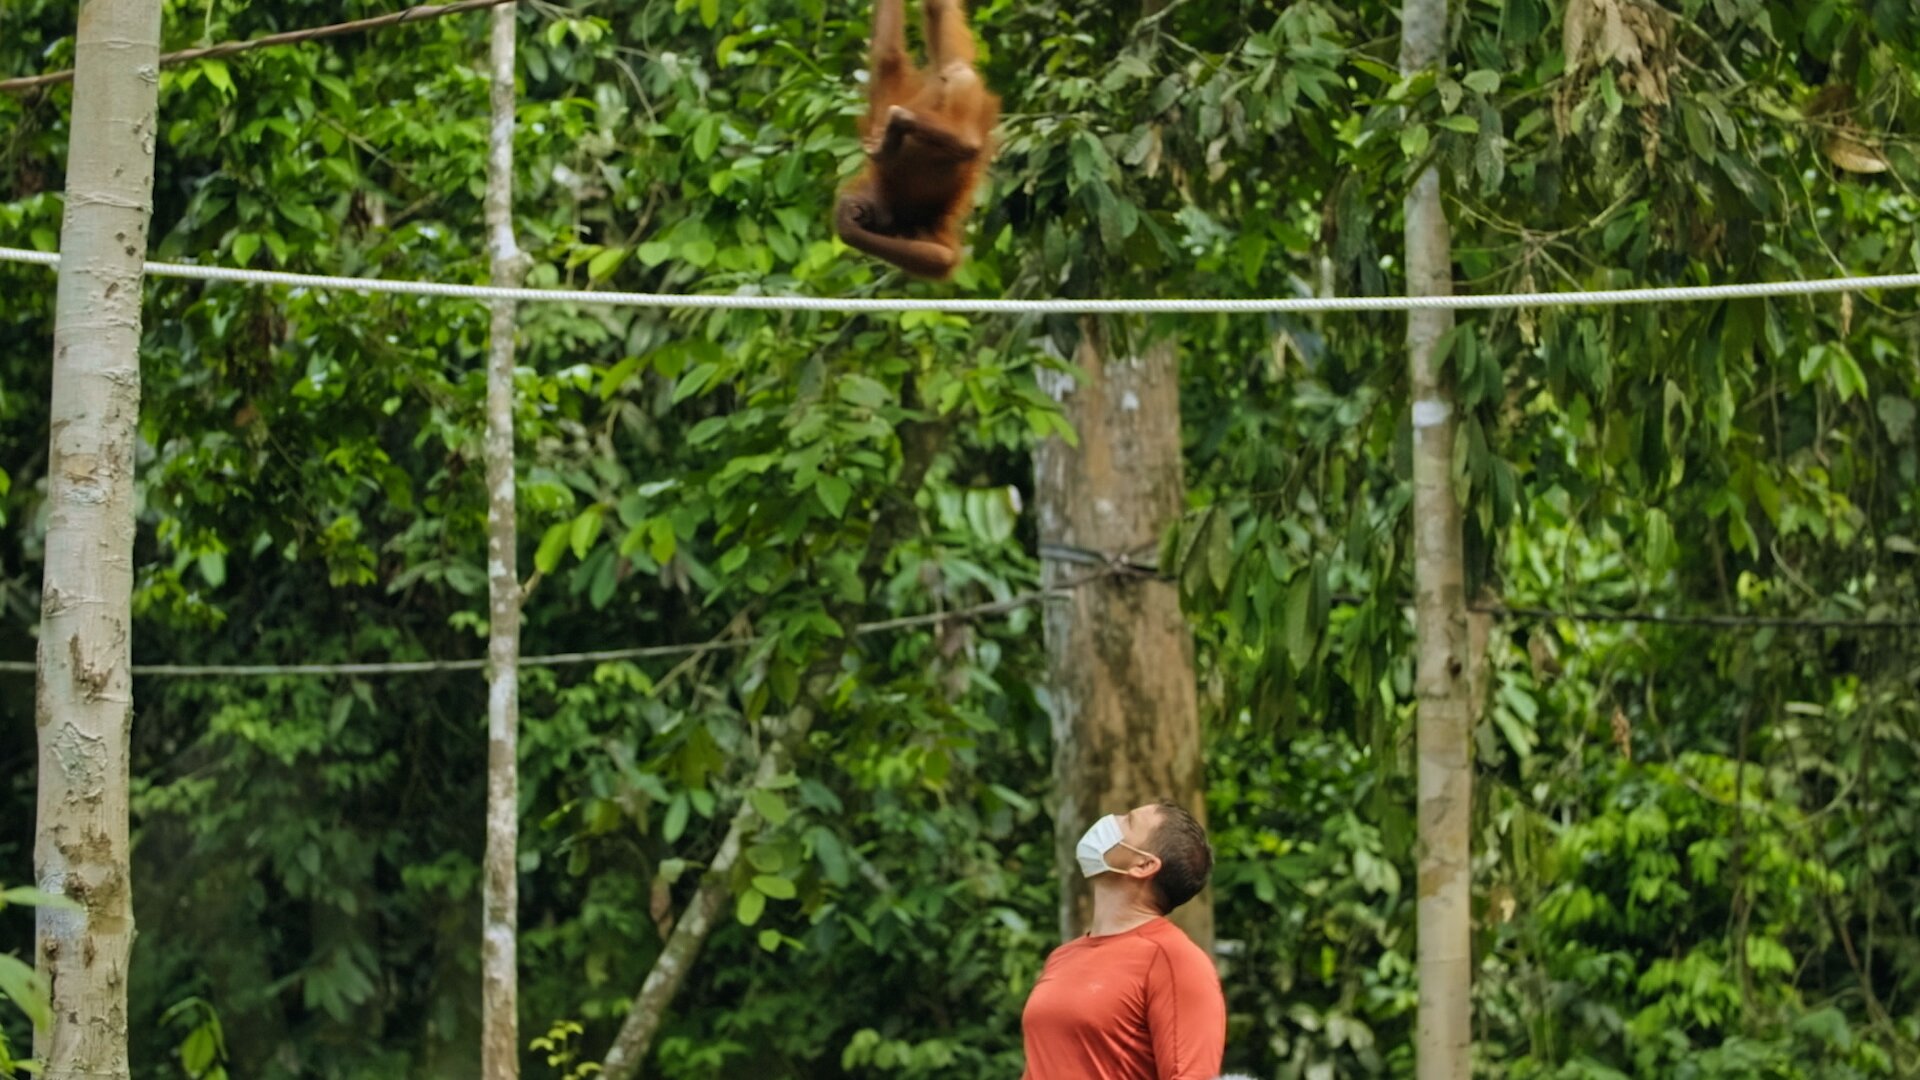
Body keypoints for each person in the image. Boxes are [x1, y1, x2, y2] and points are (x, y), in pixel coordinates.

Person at [1019, 801, 1227, 1080]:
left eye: (1127, 821)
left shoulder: (1176, 960)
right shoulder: (1063, 956)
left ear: (1144, 865)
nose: (1109, 820)